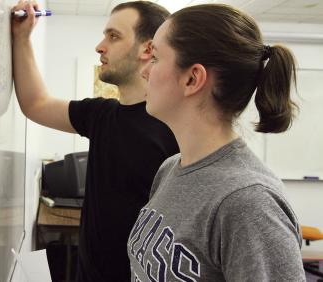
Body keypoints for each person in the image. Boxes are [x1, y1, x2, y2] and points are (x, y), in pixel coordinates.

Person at [128, 4, 305, 281]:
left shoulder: (249, 201)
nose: (144, 72)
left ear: (192, 78)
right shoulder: (170, 168)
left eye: (156, 58)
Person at [11, 1, 179, 281]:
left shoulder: (175, 128)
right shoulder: (101, 114)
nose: (100, 46)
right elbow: (36, 104)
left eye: (113, 36)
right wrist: (22, 38)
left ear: (147, 49)